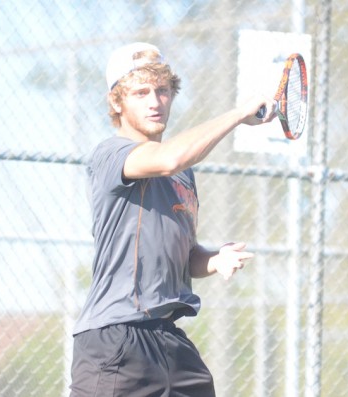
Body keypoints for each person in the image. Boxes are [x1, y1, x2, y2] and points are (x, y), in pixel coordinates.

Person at [69, 42, 277, 396]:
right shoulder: (111, 154)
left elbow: (186, 256)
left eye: (162, 90)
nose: (154, 101)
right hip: (115, 340)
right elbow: (168, 158)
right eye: (141, 92)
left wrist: (213, 259)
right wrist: (239, 114)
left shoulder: (182, 176)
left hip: (169, 341)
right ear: (117, 102)